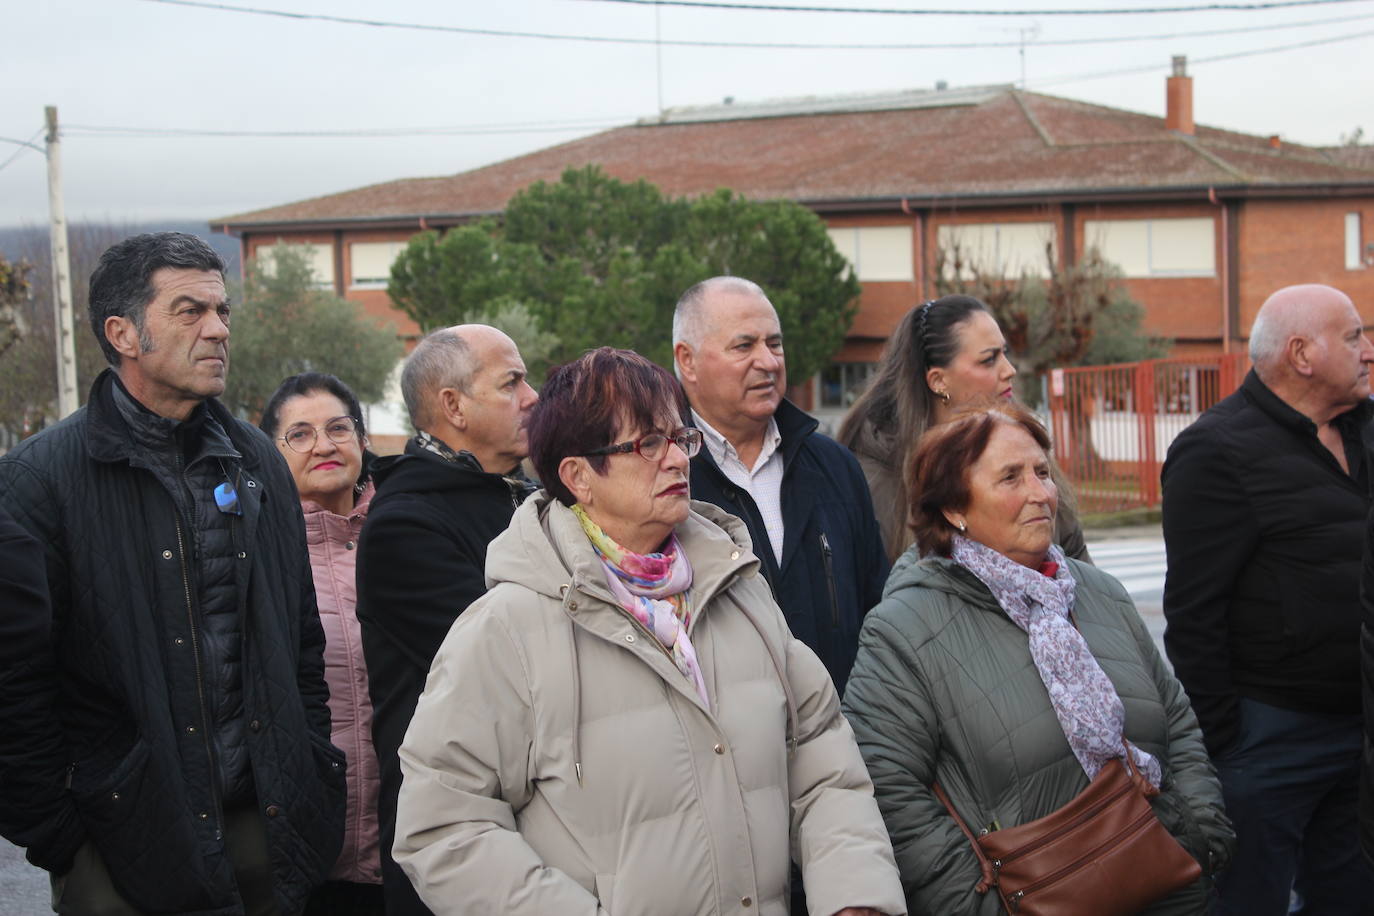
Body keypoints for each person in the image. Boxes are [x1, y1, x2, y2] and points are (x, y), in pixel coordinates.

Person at [392, 347, 905, 916]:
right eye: (646, 444)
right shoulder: (506, 628)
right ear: (578, 476)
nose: (677, 460)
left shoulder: (736, 587)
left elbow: (820, 756)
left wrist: (855, 896)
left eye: (680, 438)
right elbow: (442, 827)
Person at [0, 231, 344, 915]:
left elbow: (300, 636)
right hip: (123, 843)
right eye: (190, 312)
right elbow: (14, 683)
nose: (218, 330)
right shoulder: (39, 480)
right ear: (123, 333)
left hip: (268, 827)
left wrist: (314, 768)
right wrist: (62, 838)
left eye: (222, 312)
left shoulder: (256, 460)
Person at [842, 401, 1233, 916]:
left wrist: (1200, 831)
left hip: (1168, 885)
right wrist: (979, 904)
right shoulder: (904, 628)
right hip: (1035, 900)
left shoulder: (1100, 594)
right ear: (954, 508)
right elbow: (887, 787)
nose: (1041, 494)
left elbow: (1175, 719)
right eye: (1010, 478)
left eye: (1043, 472)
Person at [1163, 283, 1374, 914]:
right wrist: (1229, 743)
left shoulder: (1364, 429)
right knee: (1248, 900)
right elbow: (1193, 617)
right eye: (1355, 336)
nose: (1368, 350)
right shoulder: (1216, 450)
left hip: (1361, 733)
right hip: (1271, 740)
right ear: (1303, 354)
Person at [356, 324, 539, 916]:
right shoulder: (404, 525)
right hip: (453, 834)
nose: (532, 396)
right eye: (511, 382)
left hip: (537, 814)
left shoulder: (525, 497)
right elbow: (517, 662)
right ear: (453, 406)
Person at [673, 276, 888, 696]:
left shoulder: (833, 466)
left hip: (847, 736)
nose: (768, 362)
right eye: (744, 346)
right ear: (688, 361)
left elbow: (878, 611)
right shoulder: (666, 477)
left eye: (775, 344)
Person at [838, 295, 1089, 565]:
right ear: (938, 381)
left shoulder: (1030, 455)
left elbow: (1082, 578)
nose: (1010, 370)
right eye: (988, 360)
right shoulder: (874, 482)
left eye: (1005, 353)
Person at [260, 373, 384, 915]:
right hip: (297, 856)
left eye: (339, 428)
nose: (325, 445)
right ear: (271, 452)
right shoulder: (255, 557)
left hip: (409, 842)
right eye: (301, 434)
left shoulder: (408, 538)